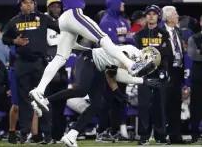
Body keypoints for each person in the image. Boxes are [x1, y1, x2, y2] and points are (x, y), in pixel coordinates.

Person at [30, 0, 154, 110]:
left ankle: (39, 90)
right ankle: (131, 66)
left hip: (66, 17)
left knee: (60, 57)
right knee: (103, 38)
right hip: (74, 13)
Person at [32, 44, 161, 147]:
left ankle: (71, 135)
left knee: (98, 103)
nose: (148, 69)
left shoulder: (133, 59)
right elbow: (121, 72)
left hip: (99, 67)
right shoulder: (132, 51)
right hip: (89, 58)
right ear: (146, 56)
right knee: (81, 90)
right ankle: (44, 100)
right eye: (150, 65)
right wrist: (142, 81)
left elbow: (112, 74)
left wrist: (118, 93)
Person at [2, 0, 60, 144]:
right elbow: (4, 38)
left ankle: (47, 135)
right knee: (24, 100)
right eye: (25, 3)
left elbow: (60, 28)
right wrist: (14, 40)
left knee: (43, 98)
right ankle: (24, 133)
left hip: (39, 62)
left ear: (34, 5)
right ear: (20, 6)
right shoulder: (14, 21)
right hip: (22, 63)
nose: (28, 5)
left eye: (31, 3)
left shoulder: (43, 18)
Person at [133, 5, 172, 145]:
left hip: (159, 75)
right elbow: (136, 56)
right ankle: (144, 137)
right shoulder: (138, 35)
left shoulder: (164, 34)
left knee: (159, 107)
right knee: (144, 107)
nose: (151, 16)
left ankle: (160, 136)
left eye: (154, 14)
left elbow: (167, 54)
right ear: (145, 17)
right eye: (148, 14)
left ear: (158, 17)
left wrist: (164, 71)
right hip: (143, 76)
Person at [97, 0, 133, 142]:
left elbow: (130, 40)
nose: (123, 4)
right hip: (110, 66)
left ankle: (114, 130)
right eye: (120, 2)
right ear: (114, 4)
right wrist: (124, 40)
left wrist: (123, 40)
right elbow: (109, 45)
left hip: (123, 64)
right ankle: (102, 131)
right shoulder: (105, 22)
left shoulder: (123, 21)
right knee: (108, 99)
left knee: (120, 99)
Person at [44, 0, 69, 142]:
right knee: (48, 104)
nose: (55, 9)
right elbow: (45, 47)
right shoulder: (44, 23)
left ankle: (58, 135)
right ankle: (46, 135)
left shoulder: (65, 22)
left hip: (62, 67)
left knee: (61, 104)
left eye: (58, 6)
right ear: (48, 8)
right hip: (50, 66)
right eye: (53, 6)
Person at [161, 5, 186, 144]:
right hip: (166, 71)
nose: (177, 16)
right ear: (169, 17)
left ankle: (176, 136)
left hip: (177, 71)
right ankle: (163, 135)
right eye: (175, 14)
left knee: (176, 104)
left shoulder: (178, 31)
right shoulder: (160, 32)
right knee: (165, 104)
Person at [188, 15, 202, 143]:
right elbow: (194, 56)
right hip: (199, 76)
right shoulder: (194, 38)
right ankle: (195, 133)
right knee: (196, 105)